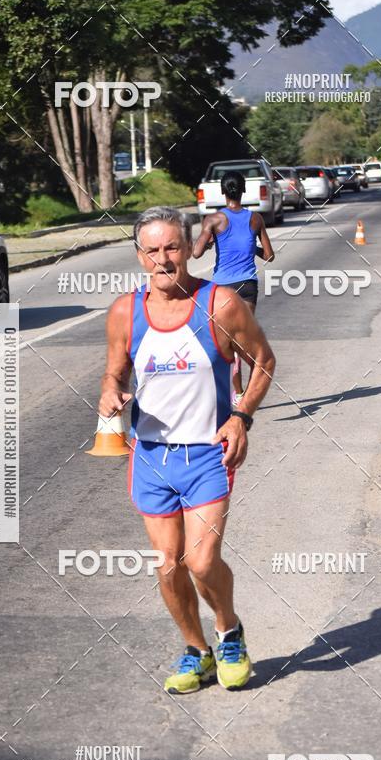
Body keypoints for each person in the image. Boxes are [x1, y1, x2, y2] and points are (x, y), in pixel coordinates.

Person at [98, 206, 275, 695]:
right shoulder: (124, 312)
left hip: (207, 455)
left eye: (171, 247)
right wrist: (109, 393)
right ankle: (197, 651)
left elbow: (263, 361)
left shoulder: (219, 305)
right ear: (139, 257)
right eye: (152, 250)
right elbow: (114, 372)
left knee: (201, 562)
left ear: (188, 248)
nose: (163, 259)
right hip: (151, 457)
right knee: (168, 564)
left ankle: (228, 631)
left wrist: (241, 417)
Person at [193, 170, 275, 405]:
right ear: (243, 191)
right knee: (245, 339)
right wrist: (252, 250)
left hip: (222, 288)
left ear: (221, 191)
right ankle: (254, 384)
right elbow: (269, 256)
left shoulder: (213, 220)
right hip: (247, 285)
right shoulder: (255, 219)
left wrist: (209, 241)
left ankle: (238, 394)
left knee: (226, 341)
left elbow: (196, 253)